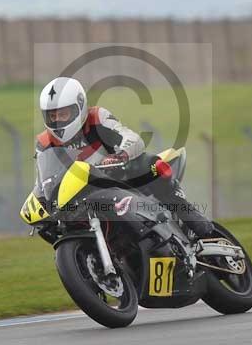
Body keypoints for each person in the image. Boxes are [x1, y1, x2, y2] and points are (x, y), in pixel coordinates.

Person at [31, 76, 214, 238]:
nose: (58, 121)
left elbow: (132, 139)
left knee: (151, 166)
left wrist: (120, 156)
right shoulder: (44, 143)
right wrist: (39, 203)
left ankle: (198, 224)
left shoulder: (97, 118)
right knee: (50, 225)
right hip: (85, 194)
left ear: (80, 106)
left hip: (120, 176)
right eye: (52, 116)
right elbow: (43, 182)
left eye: (63, 114)